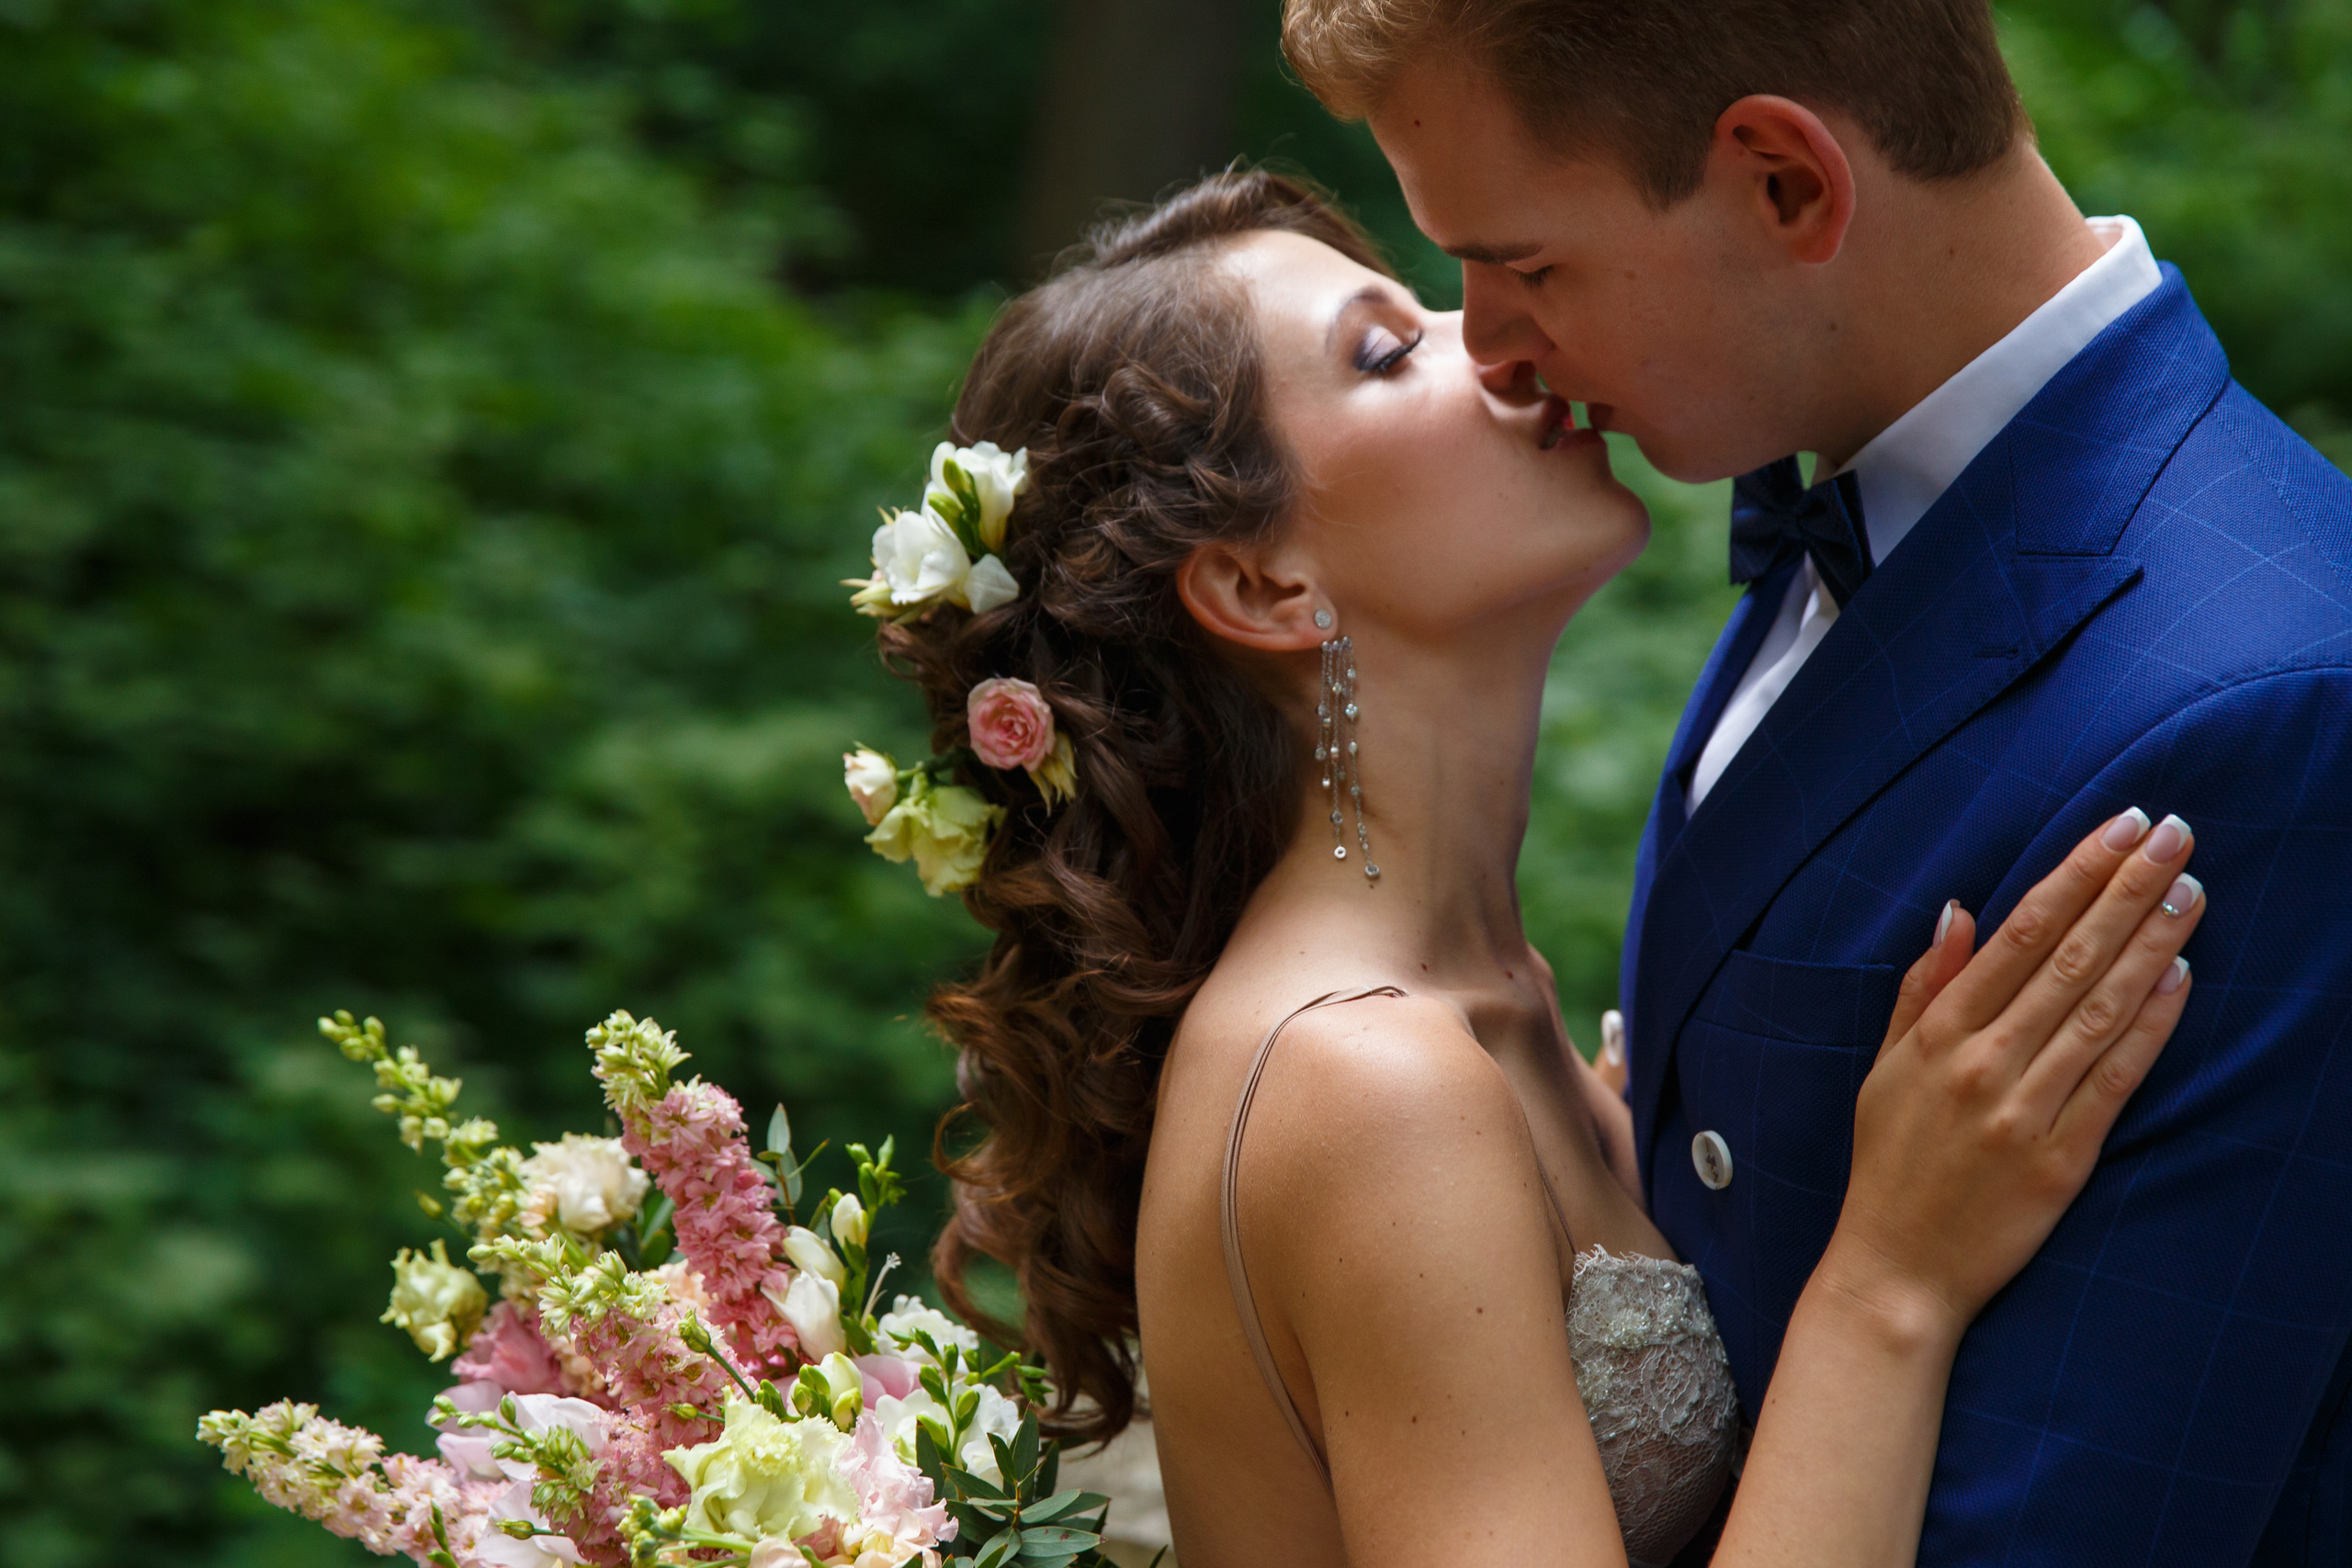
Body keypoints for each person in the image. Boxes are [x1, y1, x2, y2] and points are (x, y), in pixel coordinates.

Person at [866, 170, 2202, 1567]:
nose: (1497, 346)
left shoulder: (1490, 1002)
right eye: (1390, 352)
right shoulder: (1366, 1084)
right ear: (1265, 587)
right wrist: (1893, 1282)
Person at [1276, 1, 2352, 1563]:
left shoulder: (2267, 715)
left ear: (1786, 181)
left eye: (1525, 263)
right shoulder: (1836, 474)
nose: (1492, 343)